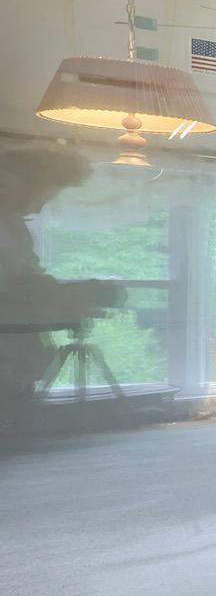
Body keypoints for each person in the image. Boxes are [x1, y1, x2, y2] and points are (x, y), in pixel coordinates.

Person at [0, 145, 120, 432]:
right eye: (41, 197)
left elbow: (26, 276)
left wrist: (63, 295)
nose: (40, 207)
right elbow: (15, 281)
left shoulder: (15, 227)